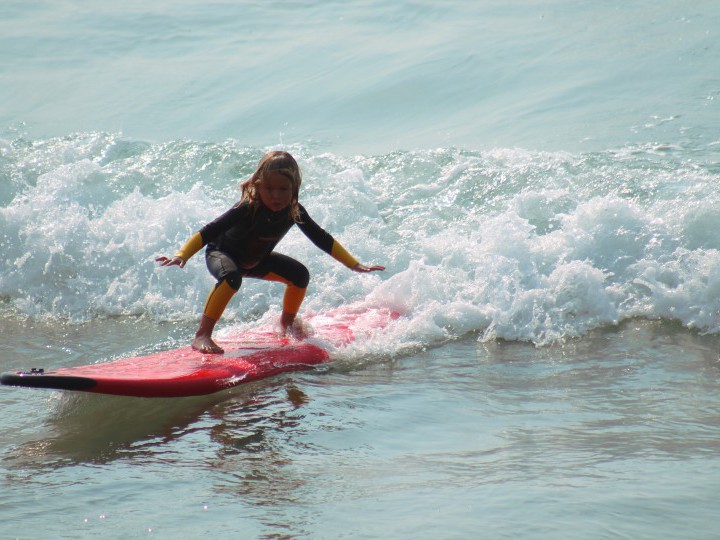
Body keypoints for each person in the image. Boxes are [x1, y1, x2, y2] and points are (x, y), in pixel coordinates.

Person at [156, 150, 385, 354]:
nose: (275, 196)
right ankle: (202, 335)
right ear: (257, 185)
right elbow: (209, 231)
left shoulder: (295, 211)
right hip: (222, 255)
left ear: (294, 189)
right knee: (231, 278)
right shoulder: (247, 207)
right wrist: (182, 255)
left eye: (283, 189)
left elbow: (322, 238)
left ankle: (286, 325)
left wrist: (354, 264)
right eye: (269, 189)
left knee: (299, 275)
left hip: (256, 261)